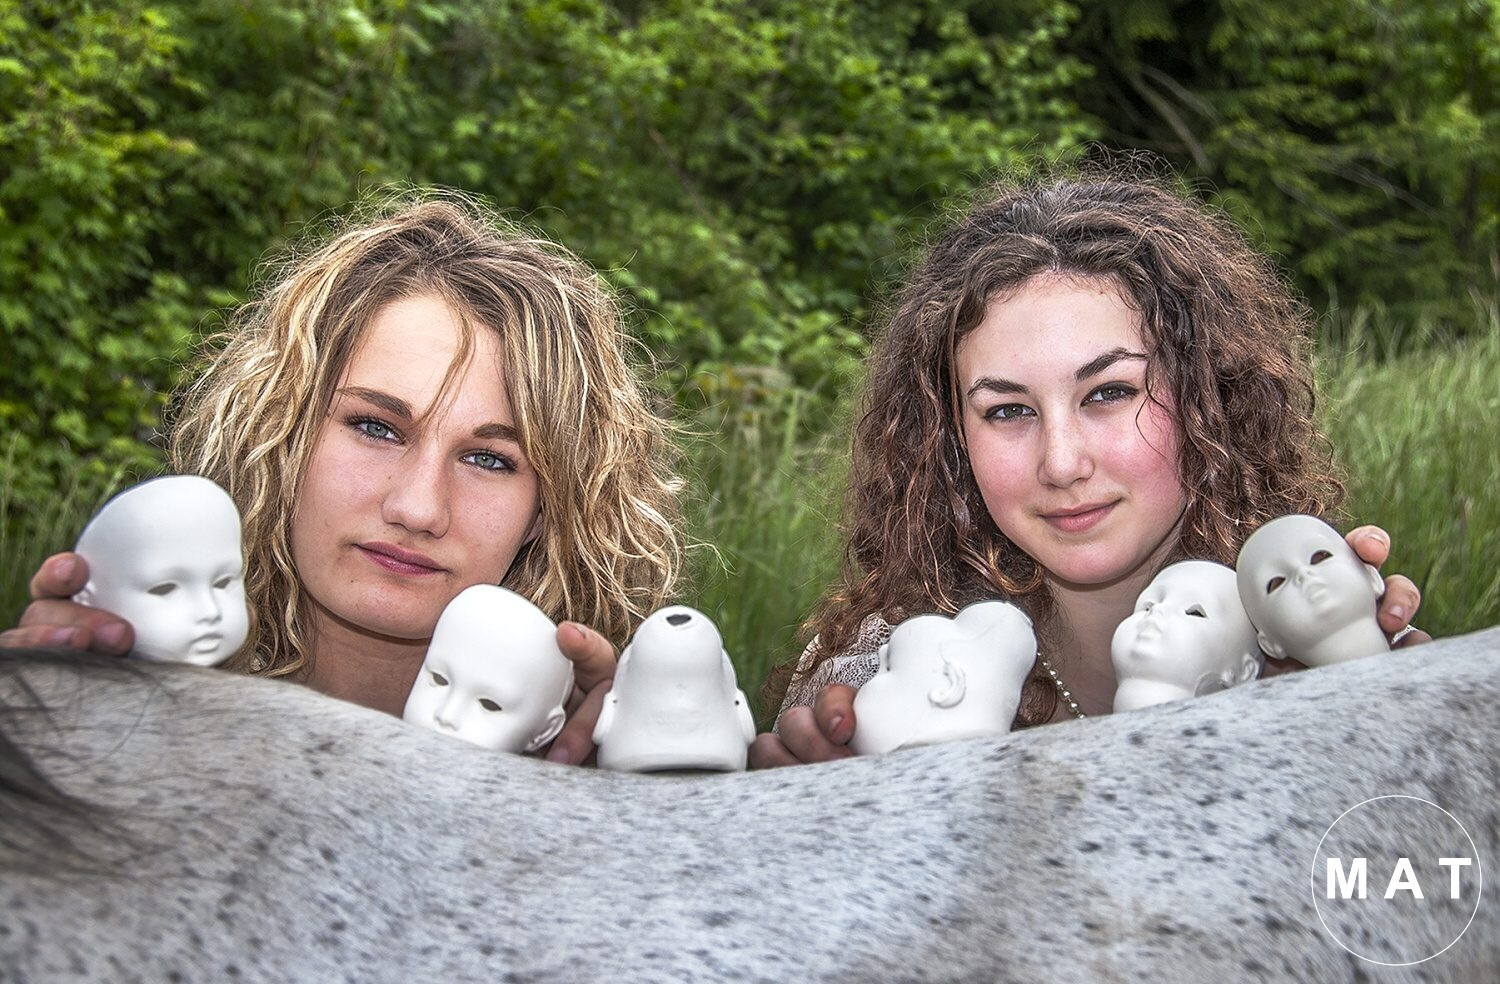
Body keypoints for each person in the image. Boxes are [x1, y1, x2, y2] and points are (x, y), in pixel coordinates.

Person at [751, 169, 1428, 767]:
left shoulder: (1304, 620)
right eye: (1007, 410)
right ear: (949, 439)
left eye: (1108, 393)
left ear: (1212, 397)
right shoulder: (880, 675)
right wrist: (828, 815)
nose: (1062, 463)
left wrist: (1370, 717)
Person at [3, 193, 683, 766]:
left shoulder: (608, 754)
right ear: (283, 432)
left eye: (489, 459)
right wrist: (50, 736)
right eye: (376, 427)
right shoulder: (129, 708)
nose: (418, 508)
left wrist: (601, 807)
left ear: (544, 510)